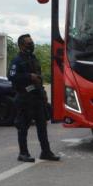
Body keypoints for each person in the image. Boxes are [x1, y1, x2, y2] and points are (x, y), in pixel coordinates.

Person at [8, 34, 60, 162]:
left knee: (42, 126)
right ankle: (23, 153)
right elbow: (11, 76)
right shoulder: (17, 60)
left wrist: (43, 93)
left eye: (32, 42)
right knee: (23, 127)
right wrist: (28, 76)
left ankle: (46, 152)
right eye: (28, 43)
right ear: (21, 45)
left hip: (37, 97)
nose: (31, 45)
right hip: (24, 98)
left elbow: (39, 77)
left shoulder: (33, 58)